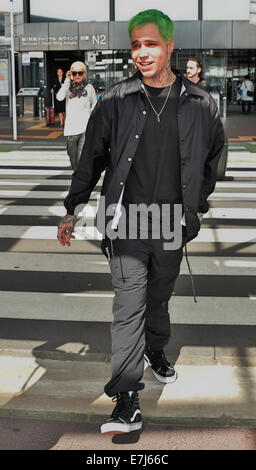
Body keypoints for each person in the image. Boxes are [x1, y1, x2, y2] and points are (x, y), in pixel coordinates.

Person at [57, 9, 225, 435]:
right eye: (135, 44)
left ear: (169, 45)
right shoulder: (116, 100)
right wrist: (71, 208)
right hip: (125, 222)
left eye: (150, 43)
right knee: (127, 307)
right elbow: (92, 159)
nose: (142, 52)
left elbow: (214, 160)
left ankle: (156, 349)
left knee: (159, 300)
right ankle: (127, 399)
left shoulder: (202, 104)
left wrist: (195, 206)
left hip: (169, 222)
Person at [56, 61, 97, 171]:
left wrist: (90, 113)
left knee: (81, 159)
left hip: (85, 128)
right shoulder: (67, 87)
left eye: (80, 73)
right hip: (71, 129)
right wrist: (67, 81)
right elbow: (59, 97)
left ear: (84, 74)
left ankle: (80, 184)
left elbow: (95, 103)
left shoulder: (89, 88)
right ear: (70, 74)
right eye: (74, 73)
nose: (77, 76)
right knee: (73, 160)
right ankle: (78, 178)